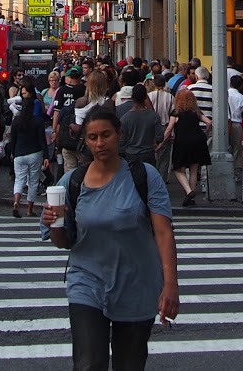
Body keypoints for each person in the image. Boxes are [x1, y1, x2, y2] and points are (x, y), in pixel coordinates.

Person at [41, 106, 179, 371]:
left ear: (119, 134)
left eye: (106, 135)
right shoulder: (72, 182)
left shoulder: (144, 177)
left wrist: (170, 284)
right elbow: (63, 241)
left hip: (137, 285)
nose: (100, 143)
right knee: (89, 363)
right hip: (87, 283)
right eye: (93, 137)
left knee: (130, 364)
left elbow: (163, 231)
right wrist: (54, 224)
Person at [162, 87, 208, 207]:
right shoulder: (196, 111)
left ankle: (189, 191)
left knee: (178, 168)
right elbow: (209, 122)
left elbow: (169, 129)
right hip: (198, 140)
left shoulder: (176, 112)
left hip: (182, 141)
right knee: (193, 169)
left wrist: (161, 142)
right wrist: (205, 134)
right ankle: (191, 197)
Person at [9, 83, 48, 218]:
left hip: (19, 153)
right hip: (35, 153)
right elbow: (42, 140)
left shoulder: (17, 121)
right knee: (33, 181)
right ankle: (29, 209)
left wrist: (13, 152)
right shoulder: (37, 121)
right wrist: (46, 156)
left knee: (19, 180)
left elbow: (12, 139)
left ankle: (16, 202)